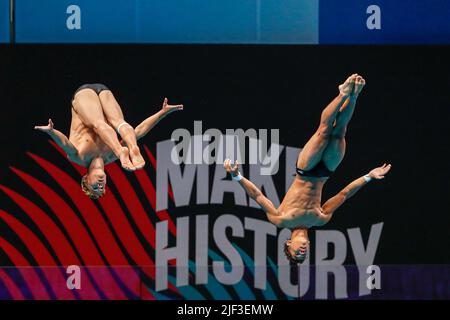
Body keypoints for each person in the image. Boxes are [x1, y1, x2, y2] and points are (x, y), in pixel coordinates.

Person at [223, 74, 391, 263]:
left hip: (305, 170)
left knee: (324, 131)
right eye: (304, 253)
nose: (302, 250)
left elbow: (258, 196)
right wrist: (368, 176)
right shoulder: (320, 219)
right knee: (339, 132)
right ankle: (354, 96)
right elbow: (344, 194)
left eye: (297, 252)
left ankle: (342, 94)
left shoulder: (281, 220)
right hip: (326, 171)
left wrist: (237, 176)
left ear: (288, 244)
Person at [35, 83, 183, 199]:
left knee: (99, 124)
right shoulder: (110, 158)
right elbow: (139, 131)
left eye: (95, 187)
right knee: (120, 123)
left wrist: (51, 132)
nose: (101, 185)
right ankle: (132, 148)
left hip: (84, 96)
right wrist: (162, 113)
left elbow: (64, 143)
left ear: (86, 179)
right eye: (103, 187)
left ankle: (122, 151)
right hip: (104, 92)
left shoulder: (78, 157)